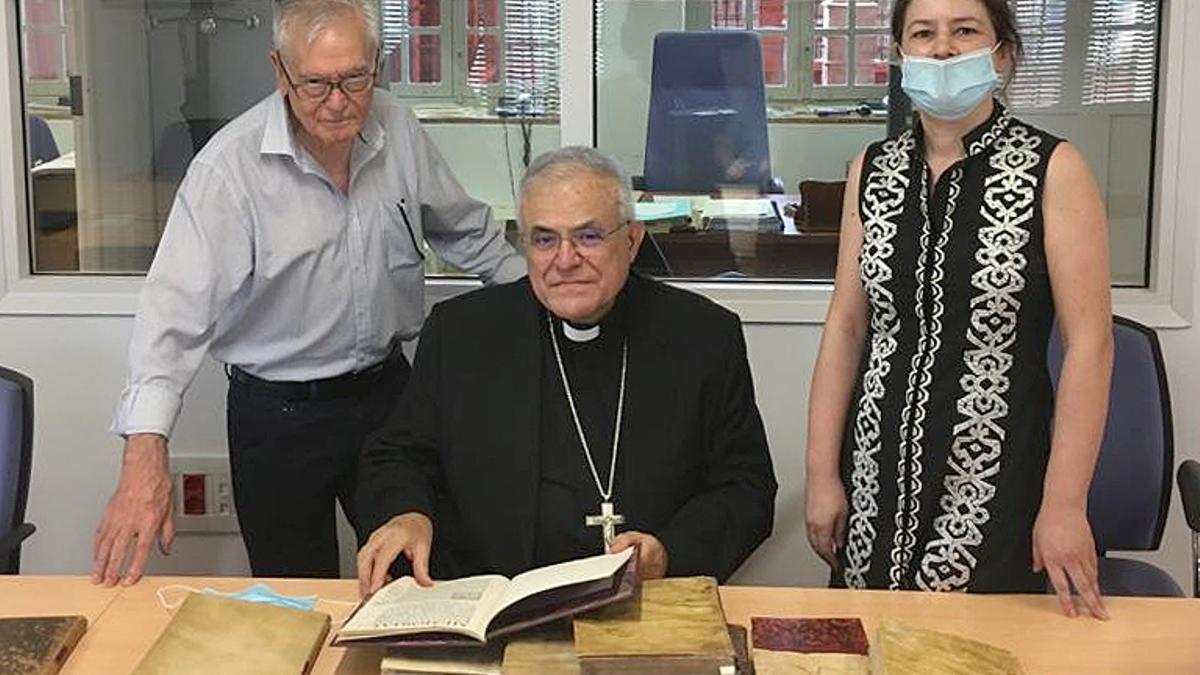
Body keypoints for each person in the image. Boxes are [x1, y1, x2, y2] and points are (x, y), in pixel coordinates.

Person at [92, 0, 525, 586]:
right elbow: (172, 316)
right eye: (316, 84)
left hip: (388, 398)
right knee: (294, 590)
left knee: (419, 575)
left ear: (376, 64)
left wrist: (546, 300)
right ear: (280, 72)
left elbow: (469, 233)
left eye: (354, 78)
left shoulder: (397, 128)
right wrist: (144, 453)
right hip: (277, 418)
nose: (339, 101)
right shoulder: (229, 169)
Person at [804, 0, 1113, 620]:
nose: (942, 48)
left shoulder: (1055, 169)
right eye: (923, 33)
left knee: (984, 648)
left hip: (995, 474)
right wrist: (819, 473)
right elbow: (846, 324)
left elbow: (1091, 344)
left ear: (1001, 52)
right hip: (875, 472)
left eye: (964, 30)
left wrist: (1064, 503)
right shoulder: (871, 170)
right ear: (899, 54)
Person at [355, 146, 777, 595]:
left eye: (589, 236)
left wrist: (668, 551)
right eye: (544, 239)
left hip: (646, 606)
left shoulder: (702, 337)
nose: (565, 259)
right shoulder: (461, 334)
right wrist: (407, 513)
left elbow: (745, 487)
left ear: (631, 241)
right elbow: (398, 455)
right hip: (496, 601)